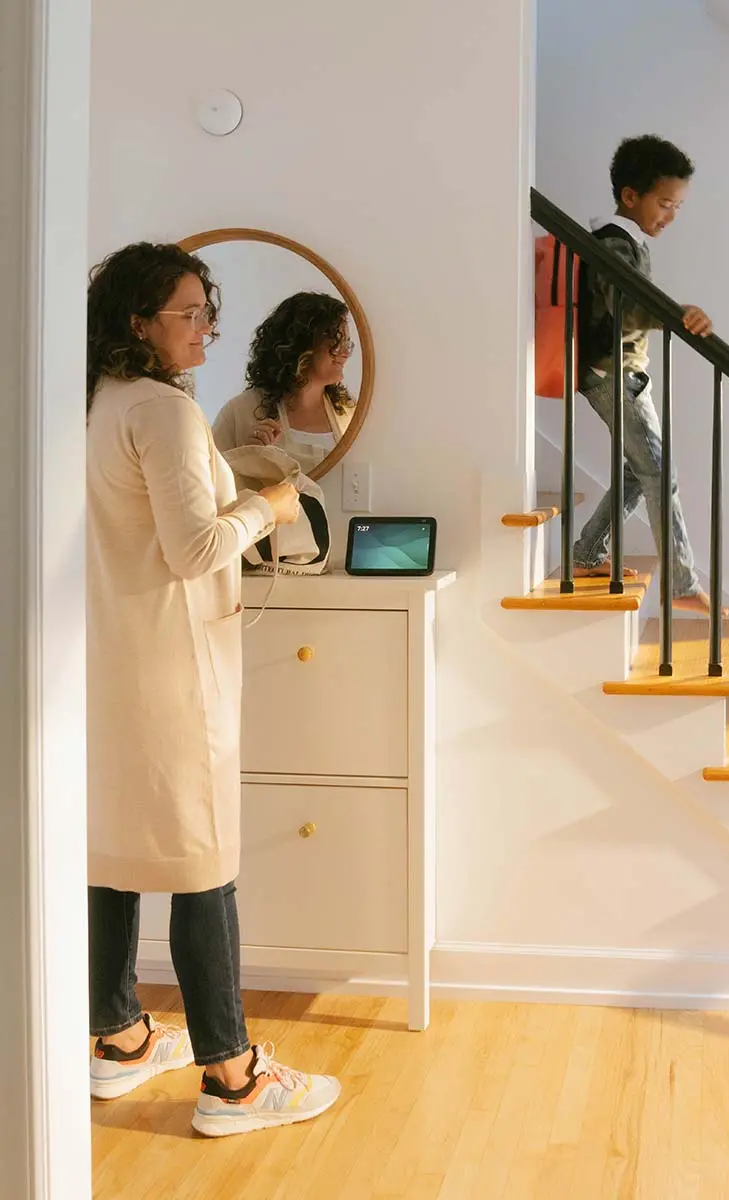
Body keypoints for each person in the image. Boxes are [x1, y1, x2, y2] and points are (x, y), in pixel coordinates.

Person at [86, 242, 341, 1136]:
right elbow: (194, 549)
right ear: (138, 324)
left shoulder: (92, 403)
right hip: (172, 662)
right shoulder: (161, 411)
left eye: (207, 309)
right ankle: (233, 1078)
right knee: (204, 862)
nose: (208, 327)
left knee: (108, 850)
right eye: (190, 313)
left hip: (106, 658)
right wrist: (266, 510)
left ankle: (116, 1037)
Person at [572, 134, 727, 616]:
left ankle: (586, 552)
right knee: (661, 474)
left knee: (639, 472)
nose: (671, 215)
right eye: (664, 203)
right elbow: (626, 304)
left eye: (677, 205)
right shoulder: (615, 245)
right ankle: (682, 583)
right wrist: (677, 314)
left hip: (625, 374)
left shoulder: (628, 242)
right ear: (630, 196)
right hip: (611, 375)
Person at [212, 291, 356, 475]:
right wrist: (247, 459)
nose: (345, 353)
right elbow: (212, 489)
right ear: (302, 343)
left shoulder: (351, 414)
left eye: (347, 343)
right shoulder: (239, 413)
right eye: (335, 341)